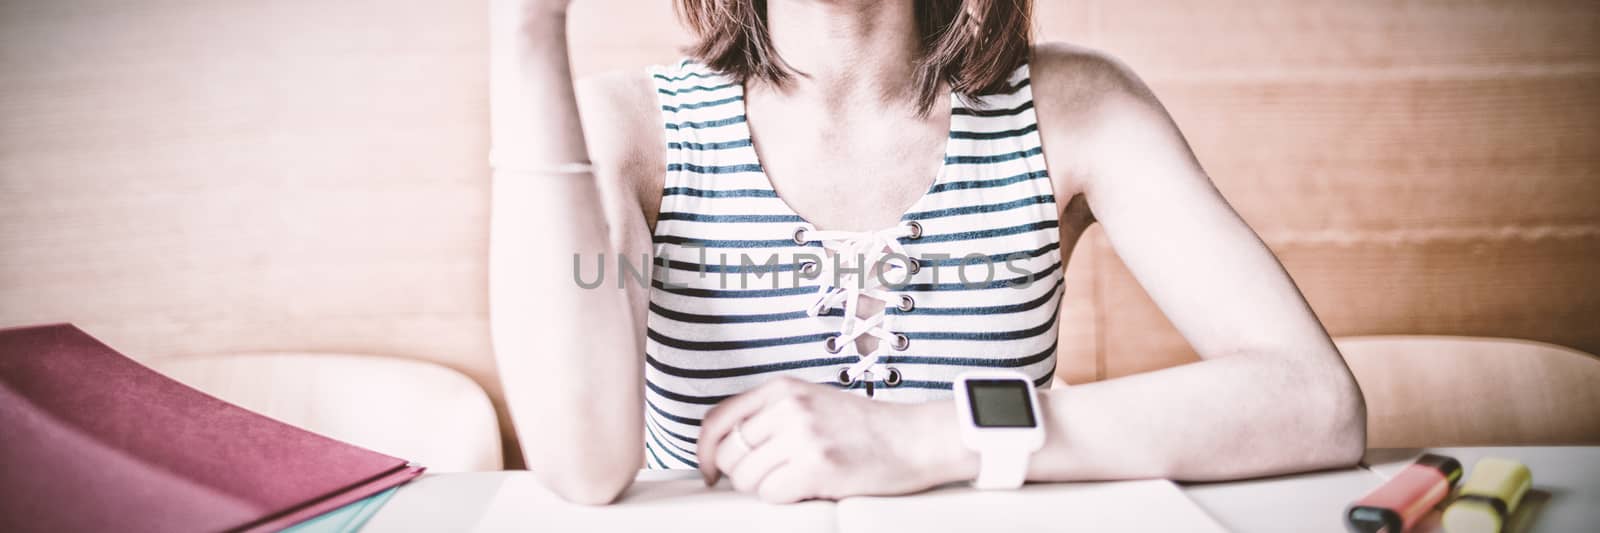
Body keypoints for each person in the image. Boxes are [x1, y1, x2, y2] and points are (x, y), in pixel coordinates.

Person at [489, 0, 1366, 505]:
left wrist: (927, 436)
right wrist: (526, 28)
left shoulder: (1076, 107)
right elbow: (582, 464)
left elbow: (1315, 401)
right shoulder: (628, 129)